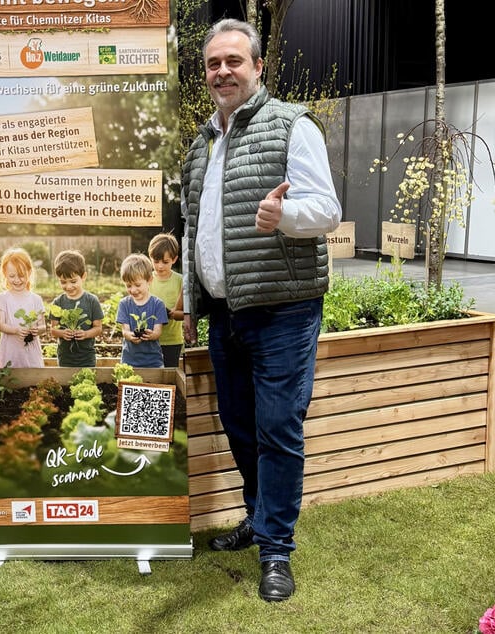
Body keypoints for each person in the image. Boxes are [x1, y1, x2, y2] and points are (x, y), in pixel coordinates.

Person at [181, 18, 342, 602]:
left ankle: (276, 549)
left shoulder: (291, 126)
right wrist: (193, 301)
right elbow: (195, 228)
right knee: (241, 425)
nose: (222, 71)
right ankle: (258, 516)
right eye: (213, 64)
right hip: (227, 315)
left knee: (278, 429)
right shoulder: (202, 143)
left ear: (257, 67)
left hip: (282, 311)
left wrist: (287, 218)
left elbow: (325, 208)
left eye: (233, 61)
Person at [48, 249, 103, 367]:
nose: (68, 286)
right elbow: (53, 330)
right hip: (65, 357)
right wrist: (63, 333)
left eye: (73, 281)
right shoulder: (58, 302)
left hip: (87, 356)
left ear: (83, 277)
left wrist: (86, 334)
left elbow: (98, 328)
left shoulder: (92, 300)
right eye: (63, 282)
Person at [0, 247, 45, 368]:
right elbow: (0, 325)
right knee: (10, 377)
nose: (17, 280)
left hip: (31, 351)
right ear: (5, 275)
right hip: (11, 350)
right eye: (12, 276)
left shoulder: (36, 299)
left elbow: (43, 326)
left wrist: (37, 330)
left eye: (21, 275)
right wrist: (16, 330)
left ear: (29, 272)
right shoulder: (2, 298)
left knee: (33, 379)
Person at [116, 253, 167, 368]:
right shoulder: (124, 304)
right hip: (129, 361)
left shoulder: (158, 304)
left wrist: (151, 335)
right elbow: (125, 331)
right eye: (128, 285)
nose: (133, 290)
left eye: (137, 285)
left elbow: (158, 332)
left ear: (149, 280)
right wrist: (131, 336)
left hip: (153, 361)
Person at [148, 232, 185, 367]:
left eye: (165, 262)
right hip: (149, 339)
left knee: (170, 375)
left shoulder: (180, 281)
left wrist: (171, 314)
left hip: (172, 340)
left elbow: (185, 313)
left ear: (174, 259)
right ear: (150, 258)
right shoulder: (146, 280)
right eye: (156, 261)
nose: (160, 266)